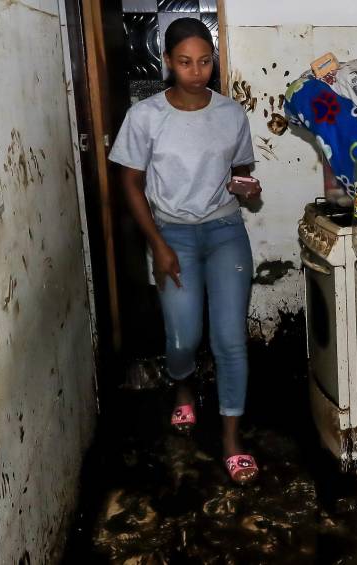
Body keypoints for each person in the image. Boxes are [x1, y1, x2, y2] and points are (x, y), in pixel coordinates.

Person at [109, 18, 261, 484]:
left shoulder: (231, 113)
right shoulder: (145, 116)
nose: (196, 71)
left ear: (213, 62)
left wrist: (248, 190)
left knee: (230, 339)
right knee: (182, 339)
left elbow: (240, 169)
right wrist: (158, 244)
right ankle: (183, 387)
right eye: (185, 62)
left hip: (225, 232)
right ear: (168, 63)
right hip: (172, 234)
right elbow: (129, 182)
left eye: (205, 61)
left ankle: (232, 439)